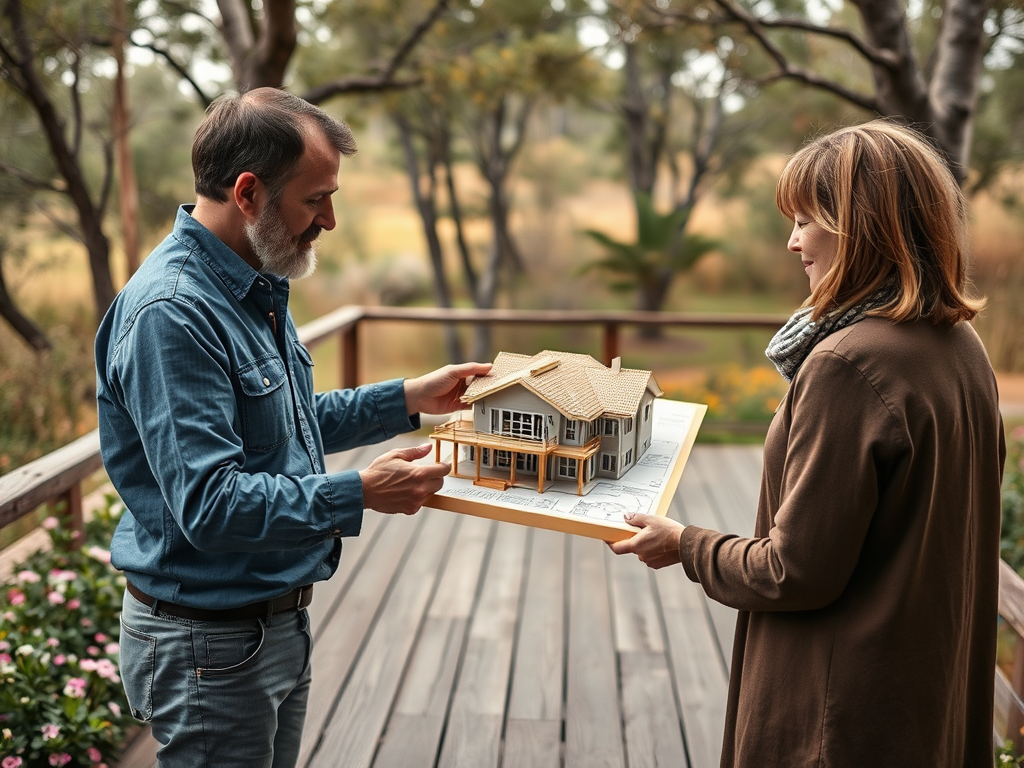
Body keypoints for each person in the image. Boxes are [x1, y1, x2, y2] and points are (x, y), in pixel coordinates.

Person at [94, 87, 490, 768]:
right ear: (248, 192)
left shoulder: (249, 282)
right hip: (210, 648)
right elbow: (210, 507)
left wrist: (410, 397)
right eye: (315, 199)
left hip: (268, 626)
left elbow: (285, 424)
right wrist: (359, 492)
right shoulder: (173, 312)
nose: (330, 220)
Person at [611, 120, 1006, 766]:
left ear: (865, 225)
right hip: (922, 707)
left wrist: (685, 544)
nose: (793, 242)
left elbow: (792, 572)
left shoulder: (849, 364)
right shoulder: (961, 347)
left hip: (837, 722)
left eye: (807, 220)